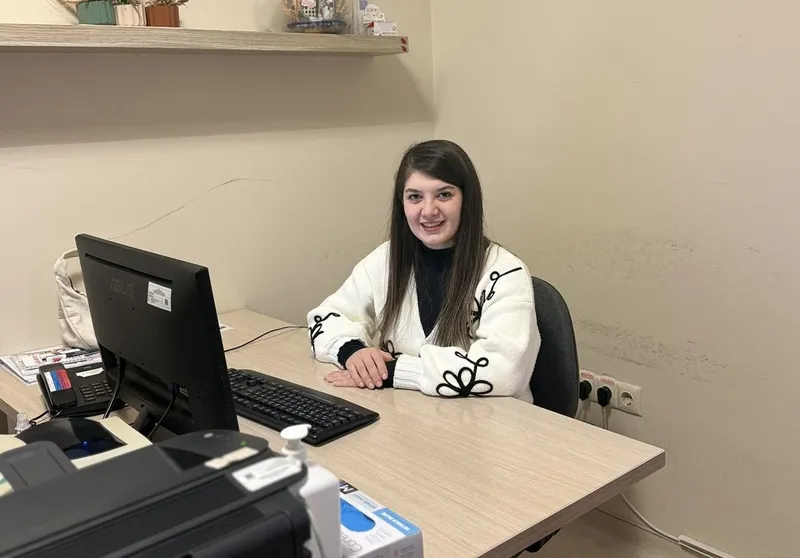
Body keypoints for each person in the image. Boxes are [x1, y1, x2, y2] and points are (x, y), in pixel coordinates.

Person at [306, 139, 541, 401]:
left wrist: (393, 371)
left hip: (490, 420)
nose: (428, 211)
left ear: (467, 199)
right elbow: (325, 317)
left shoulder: (505, 272)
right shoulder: (387, 259)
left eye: (444, 195)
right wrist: (353, 352)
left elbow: (504, 372)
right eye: (415, 197)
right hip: (408, 413)